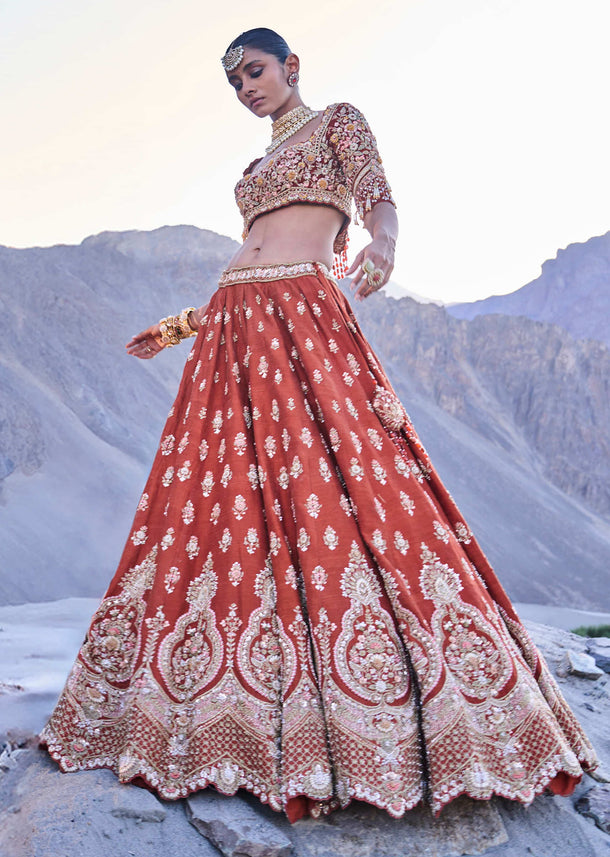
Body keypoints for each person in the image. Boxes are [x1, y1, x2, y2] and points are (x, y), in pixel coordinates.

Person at [41, 27, 597, 822]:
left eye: (255, 71)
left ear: (290, 66)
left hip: (304, 315)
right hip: (233, 332)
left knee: (343, 489)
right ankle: (209, 713)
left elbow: (378, 198)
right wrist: (176, 327)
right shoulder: (254, 170)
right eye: (233, 82)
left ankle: (394, 717)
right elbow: (250, 259)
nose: (246, 88)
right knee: (218, 508)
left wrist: (387, 242)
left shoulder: (339, 120)